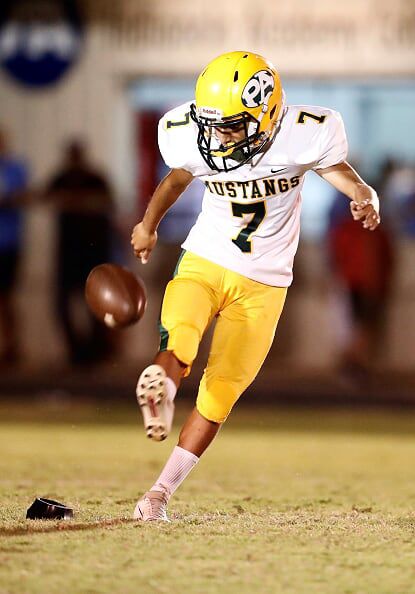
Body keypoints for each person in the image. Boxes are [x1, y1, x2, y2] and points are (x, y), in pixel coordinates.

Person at [130, 51, 380, 521]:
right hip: (205, 257)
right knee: (181, 335)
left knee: (220, 393)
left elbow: (332, 166)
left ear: (266, 114)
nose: (219, 137)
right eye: (212, 125)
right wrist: (148, 225)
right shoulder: (194, 135)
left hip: (264, 282)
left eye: (231, 126)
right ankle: (162, 394)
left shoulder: (301, 133)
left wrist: (362, 192)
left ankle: (160, 489)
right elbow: (177, 178)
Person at [44, 139, 115, 366]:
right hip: (68, 251)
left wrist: (76, 202)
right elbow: (44, 197)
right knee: (63, 303)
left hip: (93, 250)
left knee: (95, 303)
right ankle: (77, 352)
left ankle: (95, 351)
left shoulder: (95, 178)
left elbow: (108, 202)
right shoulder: (61, 178)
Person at [327, 190, 394, 378]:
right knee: (355, 328)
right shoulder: (348, 229)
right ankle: (353, 365)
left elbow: (386, 260)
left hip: (368, 286)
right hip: (353, 285)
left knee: (364, 327)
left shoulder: (376, 230)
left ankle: (357, 365)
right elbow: (337, 258)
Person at [0, 127, 29, 367]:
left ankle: (12, 346)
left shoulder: (15, 168)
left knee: (6, 297)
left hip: (7, 242)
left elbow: (23, 196)